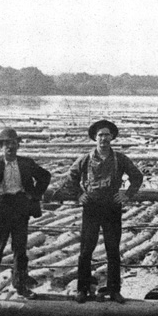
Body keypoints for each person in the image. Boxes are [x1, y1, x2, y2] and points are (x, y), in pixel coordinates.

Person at [55, 120, 143, 304]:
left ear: (112, 137)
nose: (103, 138)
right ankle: (82, 289)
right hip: (92, 207)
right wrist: (79, 194)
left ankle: (114, 290)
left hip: (112, 207)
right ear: (95, 138)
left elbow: (137, 177)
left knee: (113, 249)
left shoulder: (120, 158)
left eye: (107, 135)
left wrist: (126, 194)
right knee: (86, 249)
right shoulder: (85, 159)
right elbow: (70, 179)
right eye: (100, 135)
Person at [0, 128, 51, 303]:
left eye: (13, 143)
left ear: (18, 145)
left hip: (20, 208)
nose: (10, 147)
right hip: (0, 208)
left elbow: (45, 176)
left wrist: (34, 194)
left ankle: (20, 286)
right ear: (1, 147)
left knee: (20, 250)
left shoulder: (26, 163)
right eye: (6, 144)